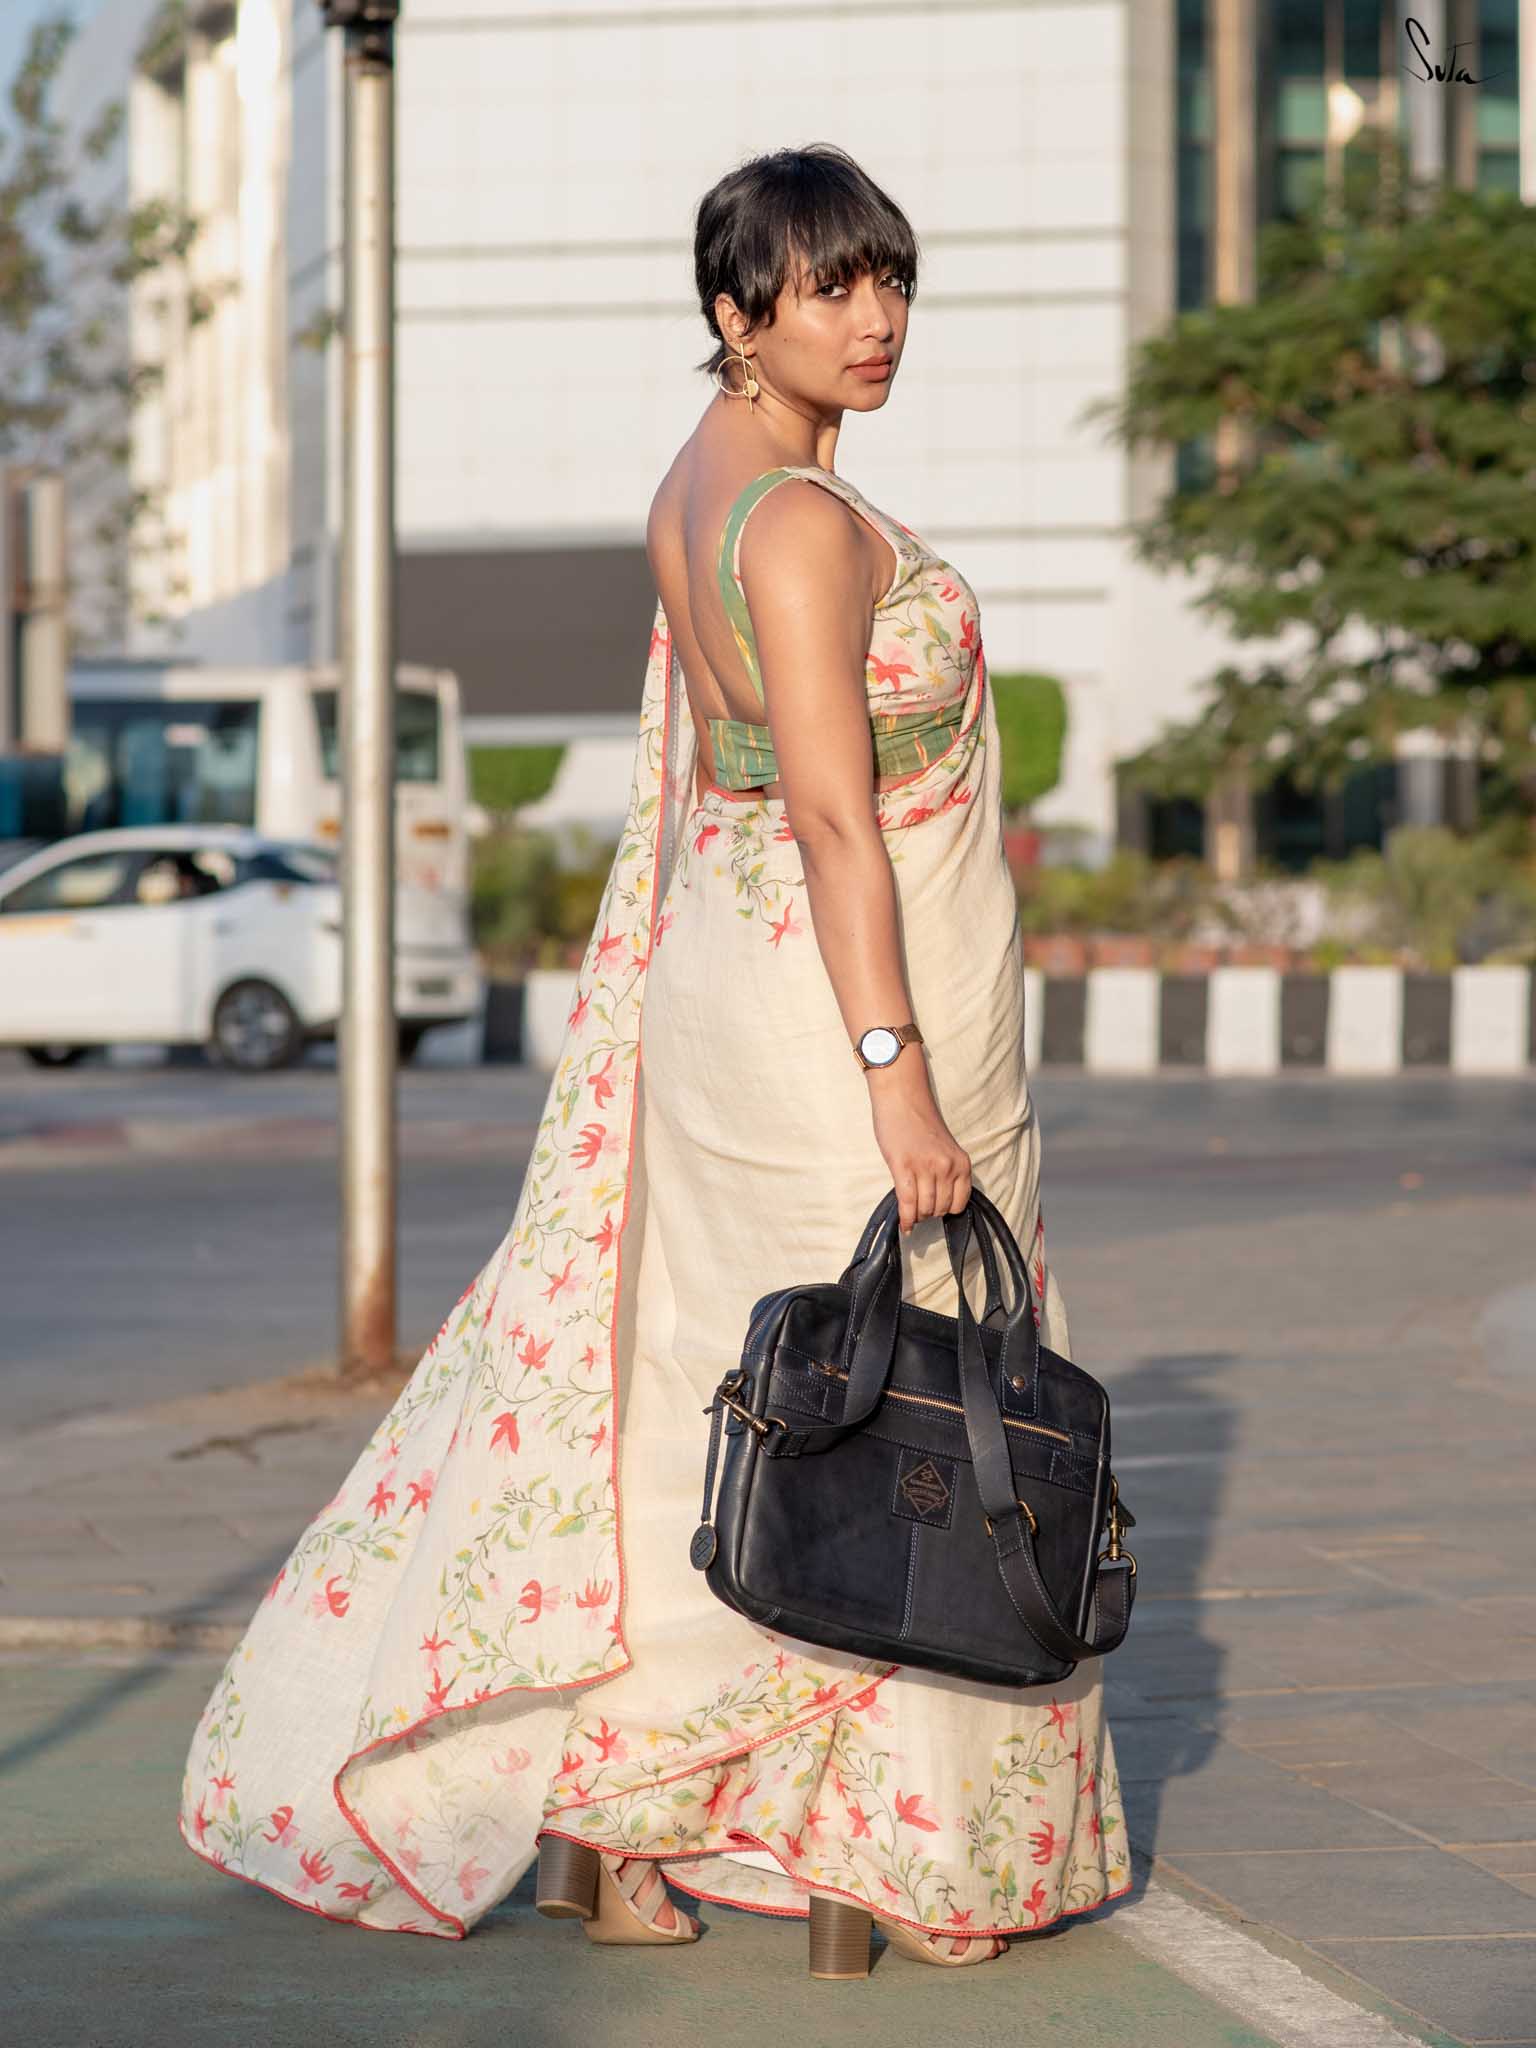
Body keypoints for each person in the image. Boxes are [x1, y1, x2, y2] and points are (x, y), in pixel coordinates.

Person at [178, 141, 1127, 1975]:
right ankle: (875, 1850)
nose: (875, 320)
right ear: (734, 313)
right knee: (917, 1405)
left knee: (748, 1393)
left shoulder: (694, 487)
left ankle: (617, 1831)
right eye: (829, 288)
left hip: (742, 985)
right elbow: (834, 818)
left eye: (890, 281)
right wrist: (897, 1072)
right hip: (842, 1020)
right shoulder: (798, 523)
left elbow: (733, 781)